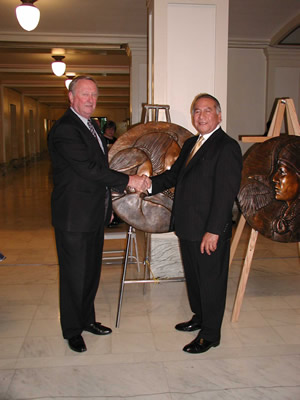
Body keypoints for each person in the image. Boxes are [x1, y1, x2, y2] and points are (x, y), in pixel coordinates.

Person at [48, 76, 149, 353]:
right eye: (84, 94)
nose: (90, 100)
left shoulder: (91, 125)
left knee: (90, 272)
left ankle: (88, 320)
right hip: (73, 216)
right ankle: (72, 329)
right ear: (71, 97)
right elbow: (88, 170)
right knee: (74, 274)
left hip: (93, 213)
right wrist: (128, 180)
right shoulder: (66, 129)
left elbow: (101, 164)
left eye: (94, 95)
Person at [149, 93, 242, 354]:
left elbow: (225, 194)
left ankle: (211, 334)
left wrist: (214, 230)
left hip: (208, 230)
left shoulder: (227, 147)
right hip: (188, 226)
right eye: (197, 111)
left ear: (219, 115)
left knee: (211, 281)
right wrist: (147, 184)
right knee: (195, 278)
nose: (200, 116)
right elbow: (173, 176)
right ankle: (200, 317)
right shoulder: (192, 143)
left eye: (207, 111)